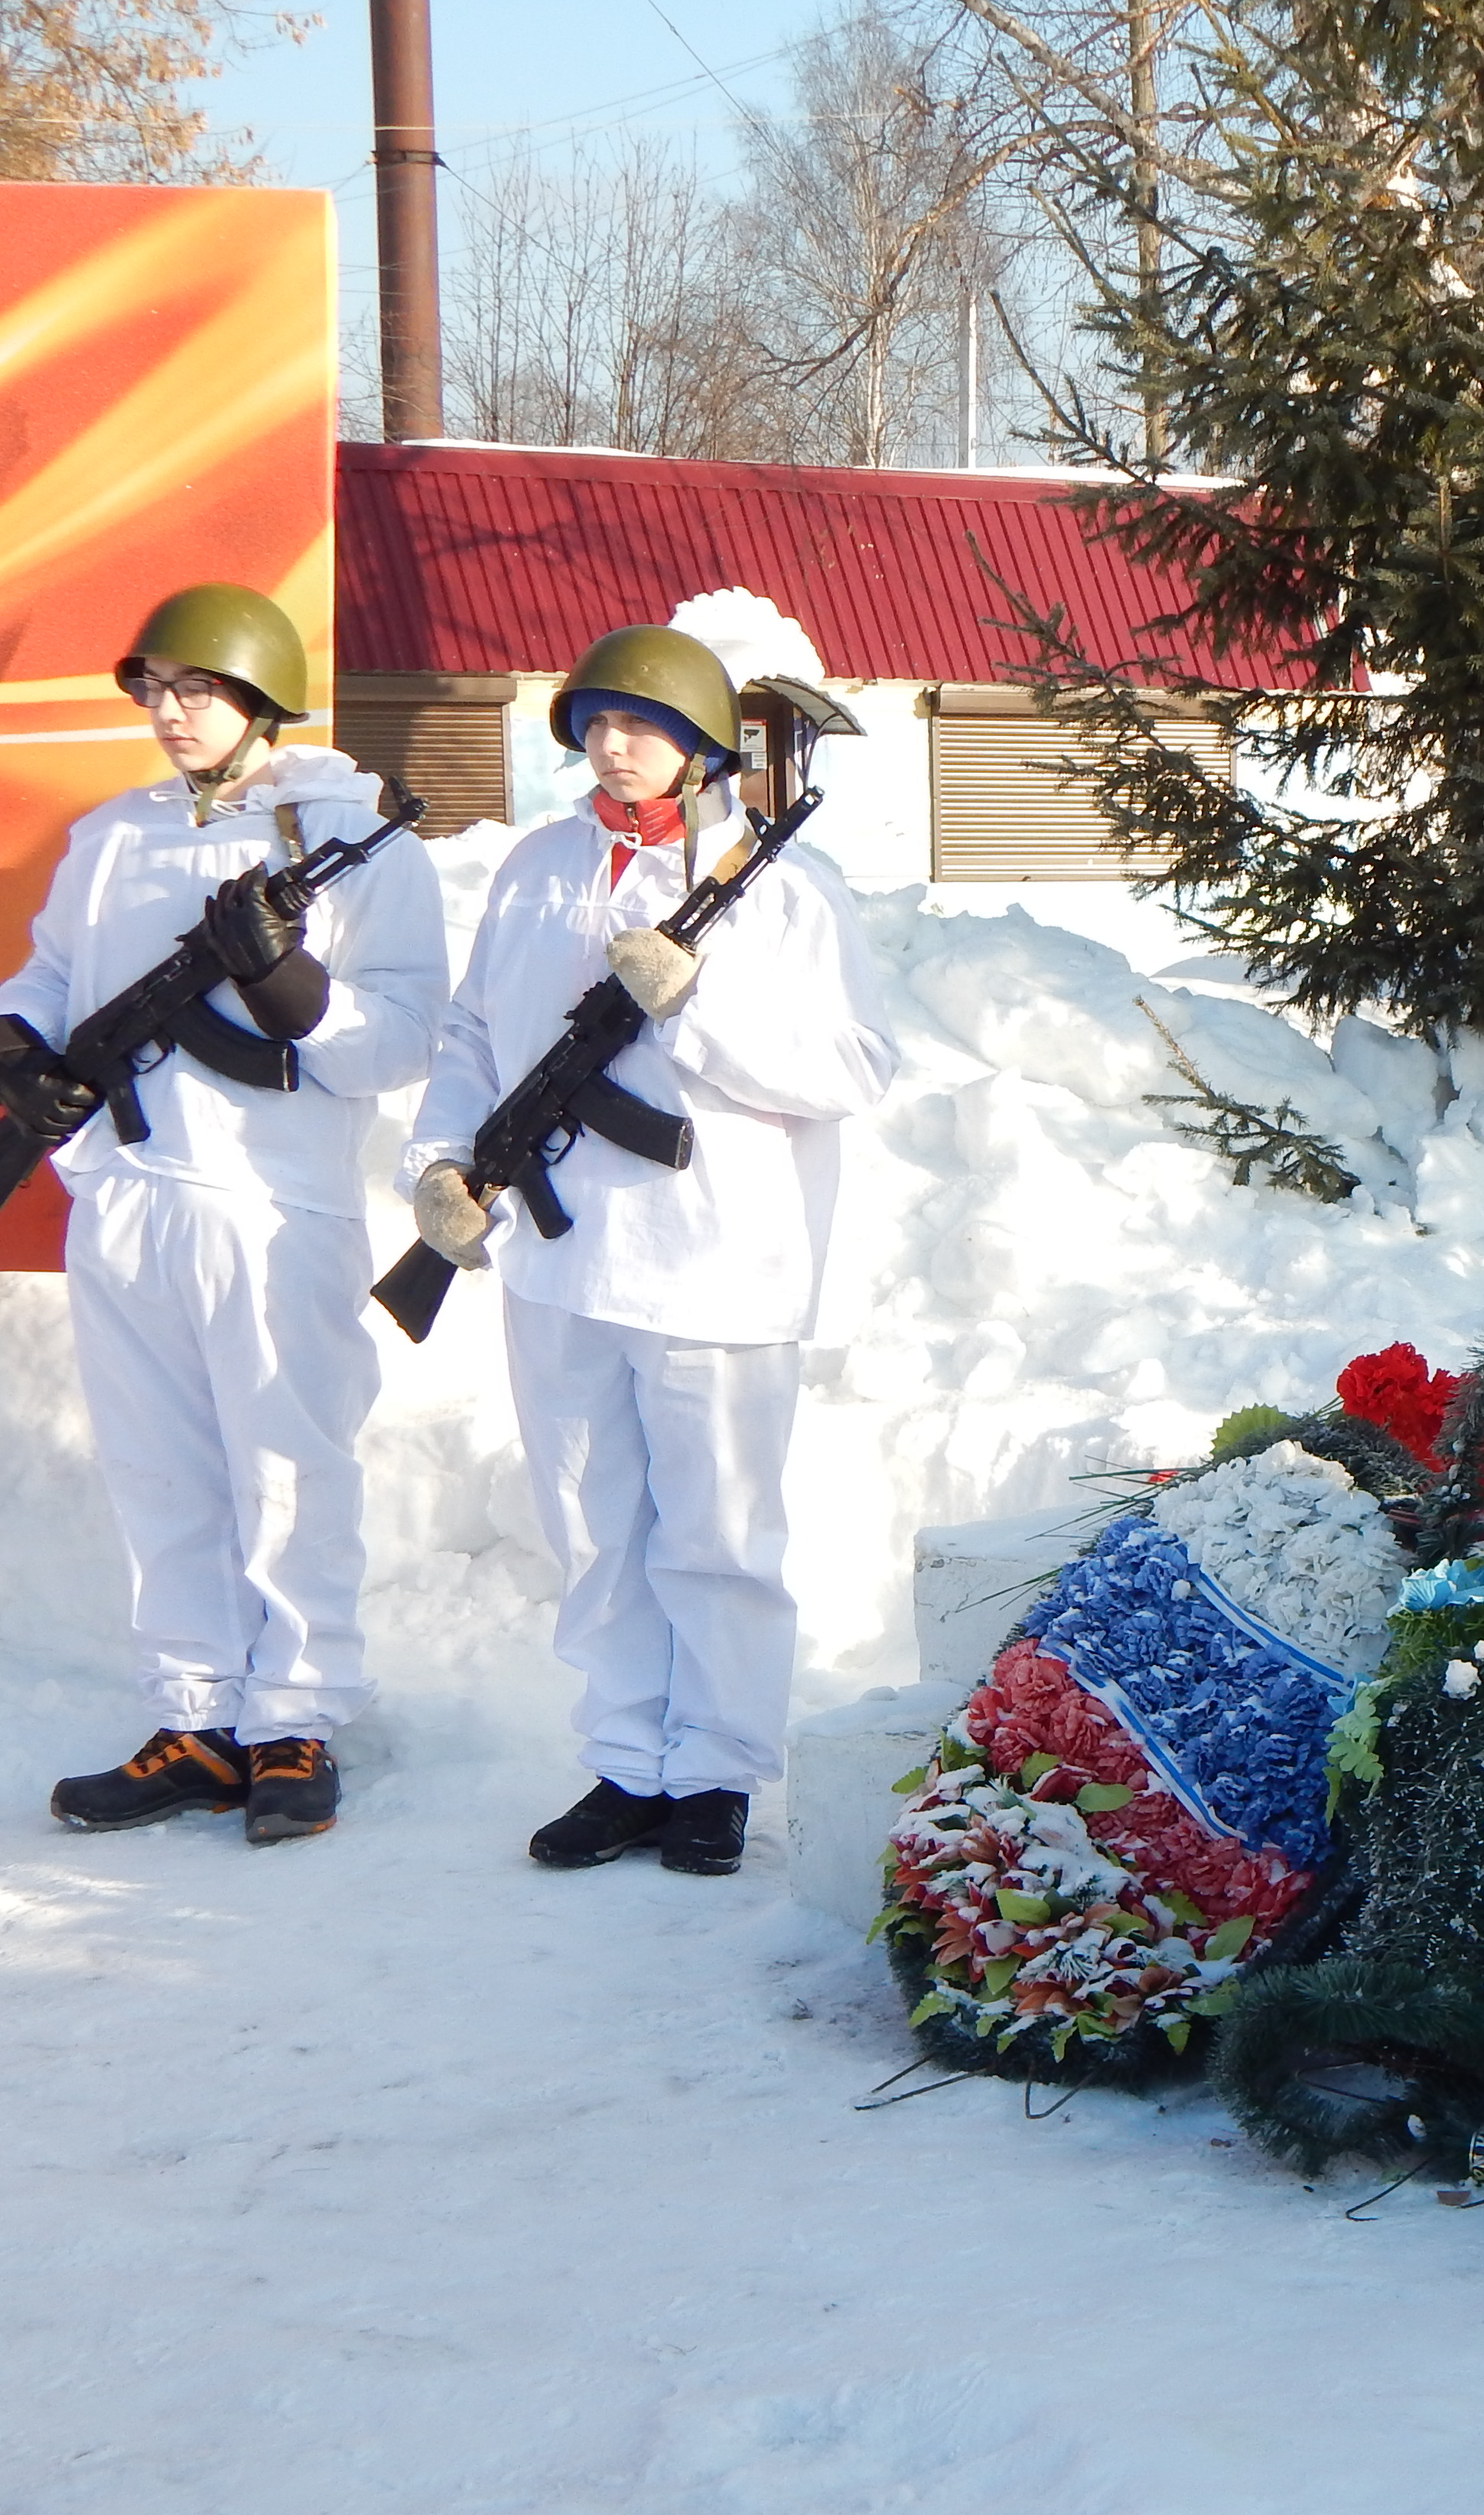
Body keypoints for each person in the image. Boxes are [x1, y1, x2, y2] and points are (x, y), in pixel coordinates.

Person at [406, 626, 896, 1878]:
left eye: (644, 724)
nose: (614, 747)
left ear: (699, 745)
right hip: (560, 1262)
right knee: (595, 1520)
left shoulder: (778, 888)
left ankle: (720, 1773)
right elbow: (473, 1032)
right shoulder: (535, 868)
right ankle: (628, 1759)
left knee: (720, 1534)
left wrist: (701, 1004)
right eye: (596, 722)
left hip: (716, 1262)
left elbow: (854, 1066)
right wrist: (446, 1158)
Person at [0, 585, 445, 1845]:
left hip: (271, 1202)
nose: (170, 711)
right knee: (161, 1472)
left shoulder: (352, 840)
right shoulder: (112, 835)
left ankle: (295, 1718)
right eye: (154, 689)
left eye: (197, 689)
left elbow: (403, 1038)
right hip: (128, 1195)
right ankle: (196, 1712)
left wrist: (289, 984)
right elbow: (44, 972)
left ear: (259, 698)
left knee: (291, 1465)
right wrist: (19, 1045)